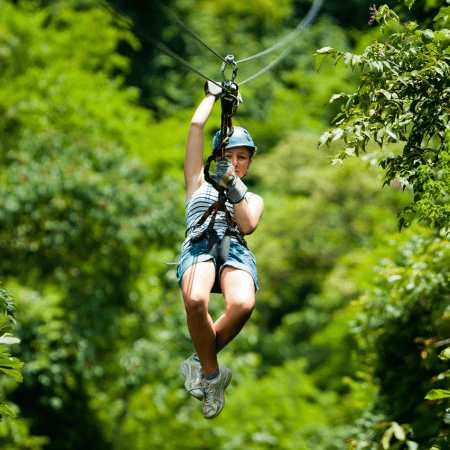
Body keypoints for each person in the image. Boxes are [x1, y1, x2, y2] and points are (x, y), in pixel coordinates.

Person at [177, 81, 264, 419]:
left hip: (234, 249)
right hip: (200, 243)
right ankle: (213, 376)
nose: (235, 162)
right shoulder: (196, 181)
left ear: (249, 164)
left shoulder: (252, 197)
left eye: (242, 158)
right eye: (229, 156)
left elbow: (248, 225)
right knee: (196, 301)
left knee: (243, 303)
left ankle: (200, 362)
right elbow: (196, 126)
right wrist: (212, 96)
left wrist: (233, 186)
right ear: (217, 157)